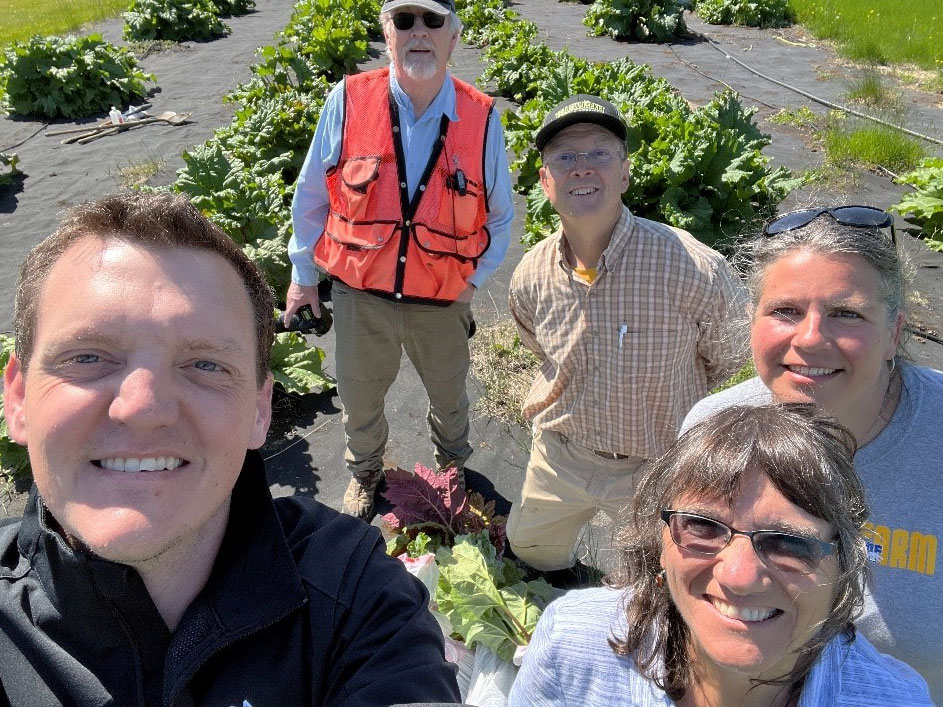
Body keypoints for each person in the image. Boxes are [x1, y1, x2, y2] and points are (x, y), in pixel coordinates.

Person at [0, 193, 460, 706]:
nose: (143, 407)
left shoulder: (357, 597)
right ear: (17, 398)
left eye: (205, 365)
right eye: (87, 357)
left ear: (260, 410)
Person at [682, 205, 943, 701]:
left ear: (894, 333)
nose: (810, 339)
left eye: (846, 313)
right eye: (785, 311)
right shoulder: (713, 429)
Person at [510, 404, 933, 706]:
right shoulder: (573, 643)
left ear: (844, 564)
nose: (739, 576)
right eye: (702, 527)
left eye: (789, 542)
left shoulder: (897, 699)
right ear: (660, 544)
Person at [287, 0, 514, 518]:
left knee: (451, 397)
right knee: (360, 397)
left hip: (443, 298)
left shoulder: (479, 117)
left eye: (433, 21)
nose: (419, 32)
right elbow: (311, 199)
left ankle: (453, 469)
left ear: (453, 37)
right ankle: (366, 472)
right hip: (361, 296)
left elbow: (500, 218)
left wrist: (472, 283)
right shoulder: (348, 100)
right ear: (386, 32)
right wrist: (303, 276)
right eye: (404, 20)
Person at [506, 94, 745, 576]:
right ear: (545, 182)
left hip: (654, 469)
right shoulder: (530, 275)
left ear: (625, 172)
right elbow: (539, 348)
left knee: (652, 585)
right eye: (565, 158)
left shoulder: (692, 268)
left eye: (599, 153)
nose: (581, 168)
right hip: (561, 455)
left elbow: (728, 354)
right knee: (531, 552)